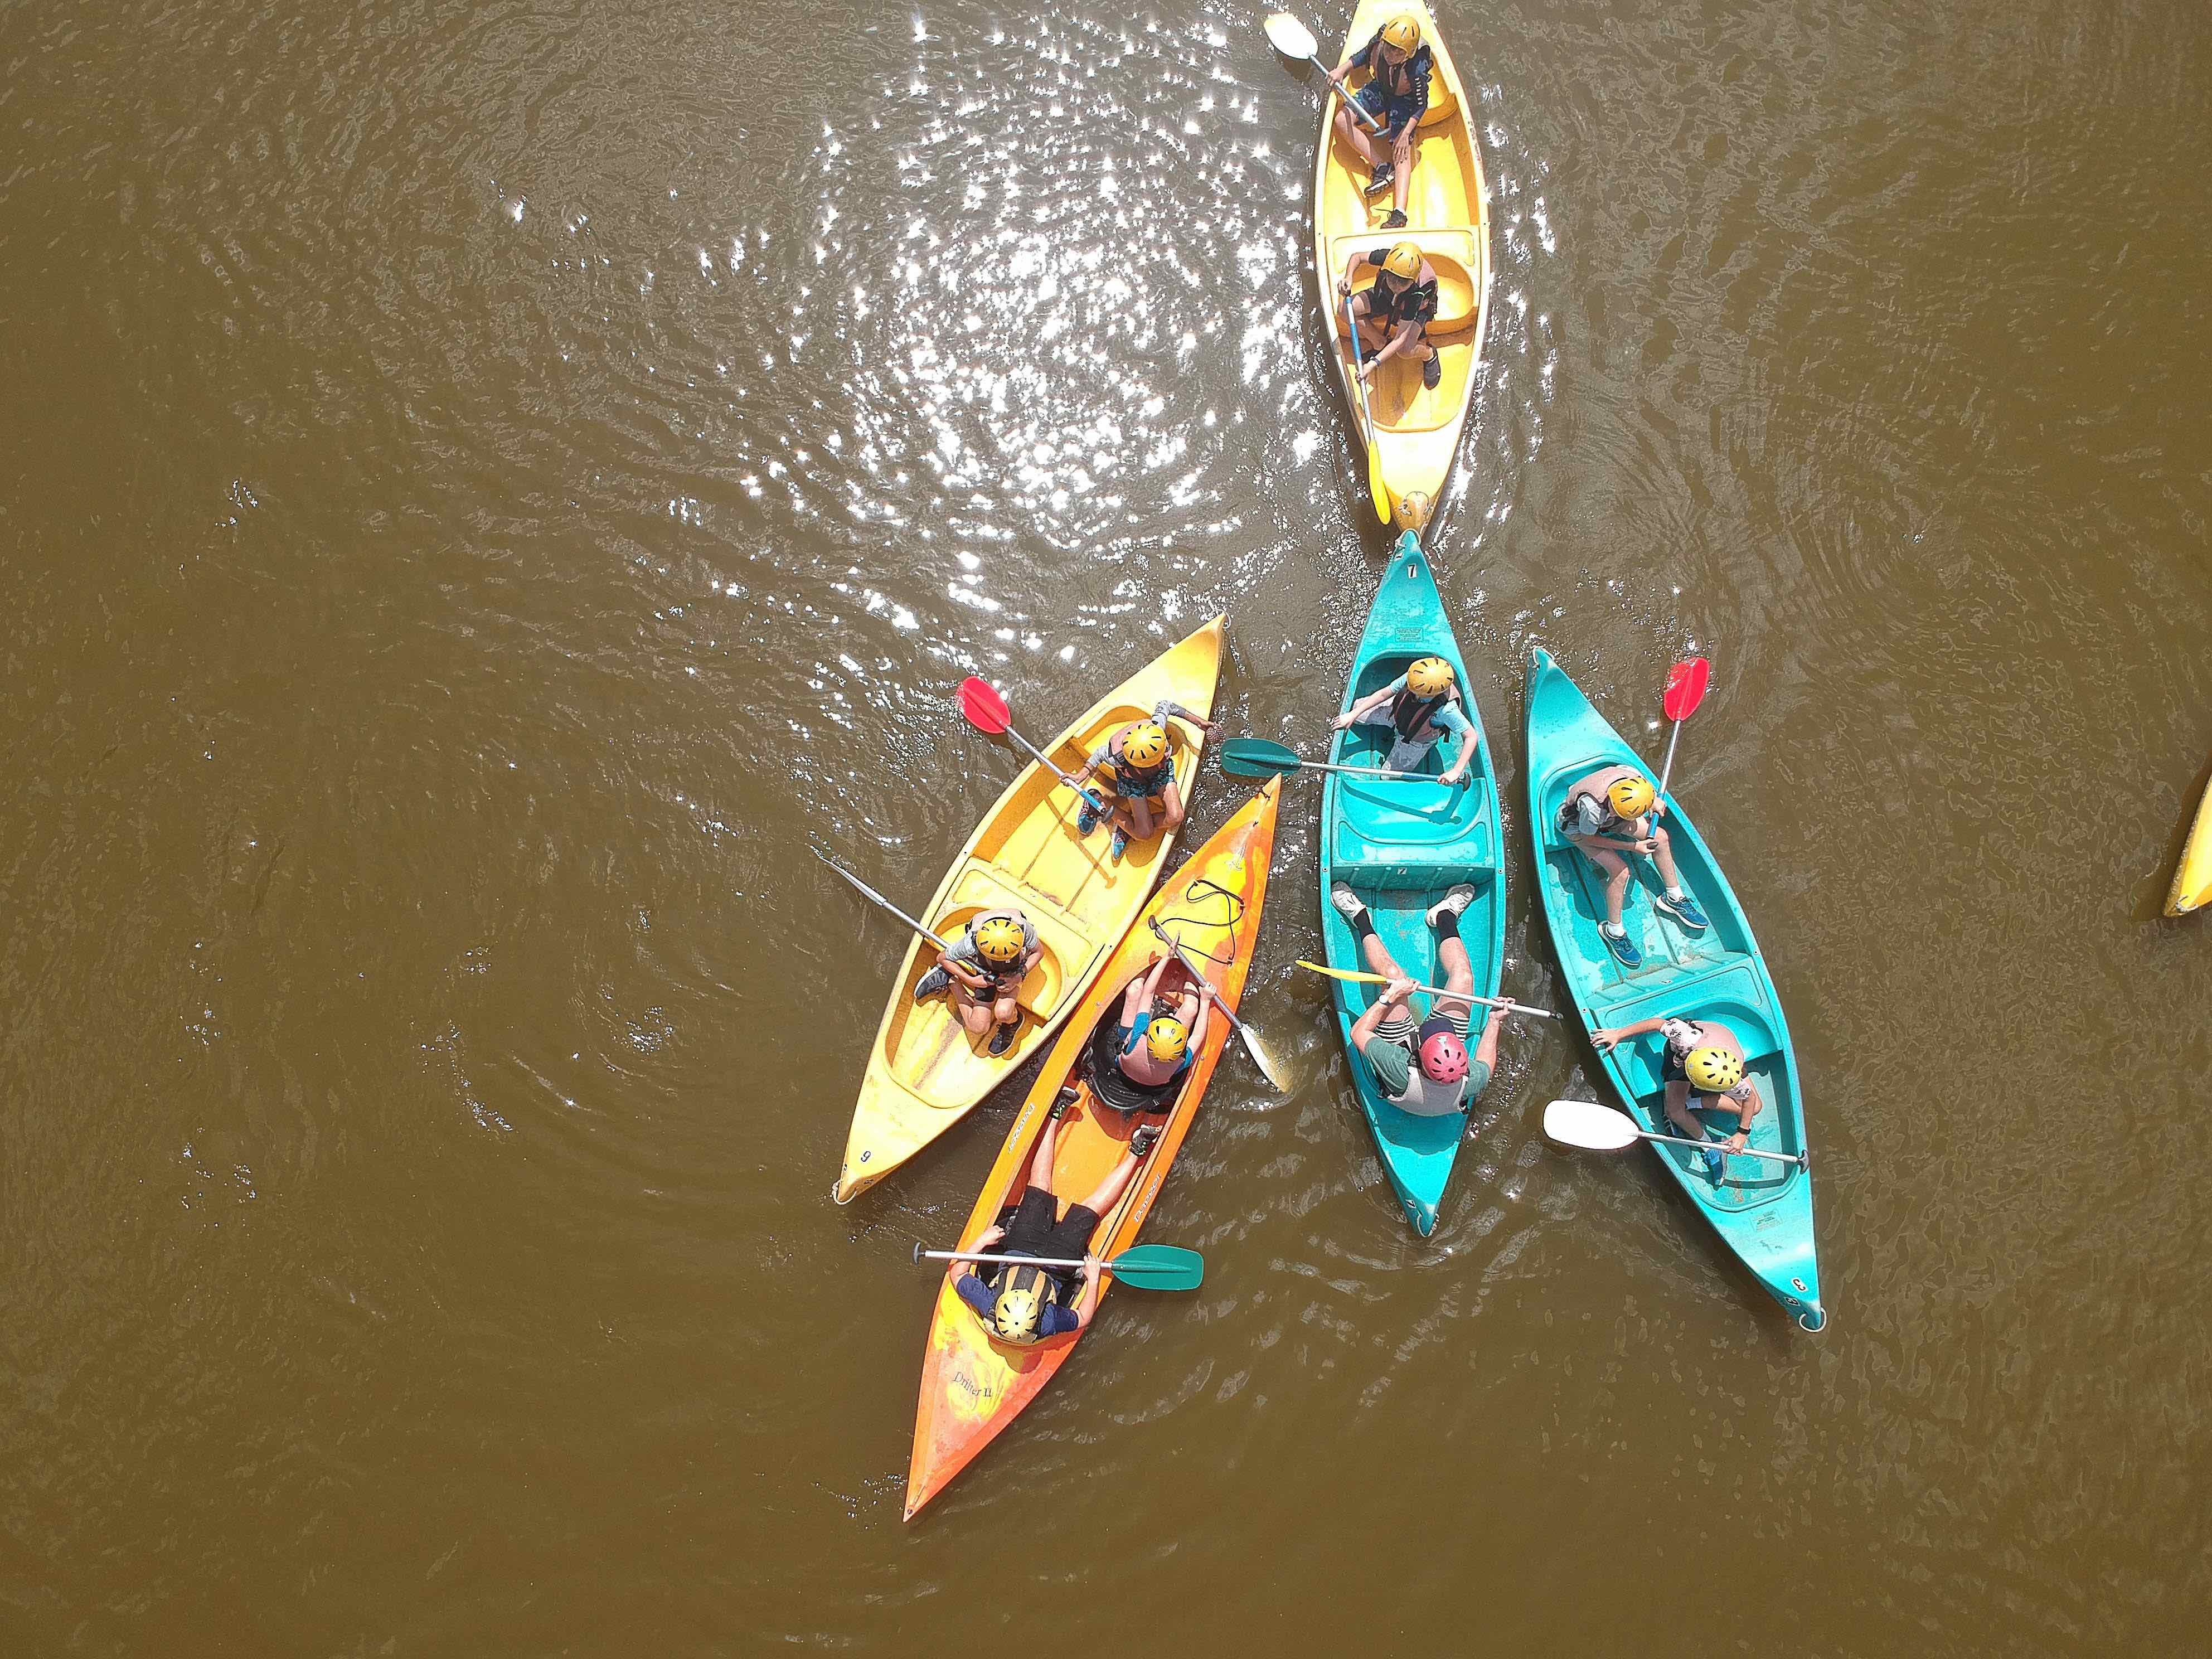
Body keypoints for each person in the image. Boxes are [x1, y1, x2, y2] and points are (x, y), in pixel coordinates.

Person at [952, 1092, 1164, 1345]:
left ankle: (1055, 1115)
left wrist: (982, 1242)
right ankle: (1137, 1151)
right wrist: (1093, 1279)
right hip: (1058, 1264)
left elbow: (958, 1275)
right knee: (1090, 1209)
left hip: (1020, 1250)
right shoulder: (1048, 1322)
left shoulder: (987, 1302)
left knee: (1039, 1187)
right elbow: (1082, 1318)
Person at [1330, 880, 1504, 1115]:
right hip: (1428, 1060)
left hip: (1402, 1049)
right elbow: (1487, 1067)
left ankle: (1360, 917)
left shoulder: (1397, 1065)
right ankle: (1444, 916)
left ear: (1420, 1052)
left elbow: (1358, 1033)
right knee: (1464, 977)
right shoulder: (1472, 1079)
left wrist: (1391, 995)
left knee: (1392, 975)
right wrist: (1494, 1021)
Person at [1554, 766, 1708, 969]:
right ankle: (1613, 932)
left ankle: (1673, 898)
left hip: (1616, 819)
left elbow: (1646, 797)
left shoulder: (1636, 780)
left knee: (1660, 838)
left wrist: (1654, 802)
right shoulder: (1592, 809)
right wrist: (1633, 847)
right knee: (1621, 872)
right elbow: (1589, 838)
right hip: (1580, 830)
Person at [1589, 1014, 1757, 1180]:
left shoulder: (1733, 1076)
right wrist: (1618, 1034)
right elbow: (1656, 1024)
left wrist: (1743, 1133)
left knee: (1755, 1109)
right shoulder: (1683, 1036)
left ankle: (1691, 1102)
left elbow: (1750, 1100)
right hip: (1685, 1055)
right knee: (1675, 1113)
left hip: (1721, 1056)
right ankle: (1710, 1145)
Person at [1070, 698, 1225, 859]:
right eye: (1150, 766)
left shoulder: (1157, 729)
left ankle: (1129, 825)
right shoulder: (1115, 757)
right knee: (1144, 834)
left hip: (1162, 774)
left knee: (1176, 817)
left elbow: (1166, 705)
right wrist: (1081, 774)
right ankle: (1097, 800)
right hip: (1133, 781)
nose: (1156, 766)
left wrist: (1199, 722)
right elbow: (1098, 755)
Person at [1323, 12, 1433, 231]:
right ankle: (1382, 166)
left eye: (1398, 52)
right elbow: (1363, 56)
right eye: (1389, 48)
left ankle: (1399, 214)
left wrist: (1405, 134)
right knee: (1342, 120)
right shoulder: (1381, 42)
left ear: (1409, 54)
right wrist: (1341, 70)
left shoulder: (1417, 69)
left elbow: (1421, 105)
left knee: (1401, 148)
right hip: (1380, 89)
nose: (1391, 55)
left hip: (1405, 101)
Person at [1090, 953, 1214, 1113]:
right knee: (1191, 1008)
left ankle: (1190, 963)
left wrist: (1166, 957)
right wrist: (1205, 1000)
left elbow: (1148, 992)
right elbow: (1197, 1035)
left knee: (1134, 991)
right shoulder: (1183, 1060)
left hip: (1128, 1066)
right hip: (1141, 1080)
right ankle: (1193, 968)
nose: (1171, 1014)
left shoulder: (1138, 1034)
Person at [911, 908, 1042, 1057]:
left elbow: (1039, 952)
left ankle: (1014, 1022)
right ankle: (950, 979)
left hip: (1014, 970)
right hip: (985, 970)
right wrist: (972, 980)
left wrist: (1018, 976)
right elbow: (942, 957)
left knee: (1004, 1013)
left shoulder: (1024, 931)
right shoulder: (970, 943)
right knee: (978, 1027)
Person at [1331, 654, 1474, 783]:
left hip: (1416, 740)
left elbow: (1471, 736)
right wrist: (1353, 714)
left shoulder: (1448, 710)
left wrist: (1456, 771)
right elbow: (1384, 694)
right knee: (1356, 708)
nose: (1409, 688)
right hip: (1397, 714)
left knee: (1387, 776)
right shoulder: (1415, 677)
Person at [1335, 241, 1442, 392]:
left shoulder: (1416, 294)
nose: (1396, 286)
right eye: (1392, 280)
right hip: (1386, 297)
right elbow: (1357, 257)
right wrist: (1349, 277)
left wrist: (1372, 364)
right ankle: (1379, 343)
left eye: (1402, 284)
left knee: (1405, 350)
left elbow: (1400, 339)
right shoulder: (1389, 258)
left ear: (1412, 280)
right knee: (1345, 310)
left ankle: (1429, 354)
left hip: (1417, 309)